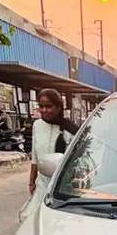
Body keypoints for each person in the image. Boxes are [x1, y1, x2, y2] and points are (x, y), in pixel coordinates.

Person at [19, 88, 77, 221]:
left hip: (62, 187)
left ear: (58, 107)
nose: (44, 110)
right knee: (31, 220)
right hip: (42, 185)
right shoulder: (37, 125)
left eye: (49, 106)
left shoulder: (70, 129)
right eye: (41, 106)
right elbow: (35, 156)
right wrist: (31, 182)